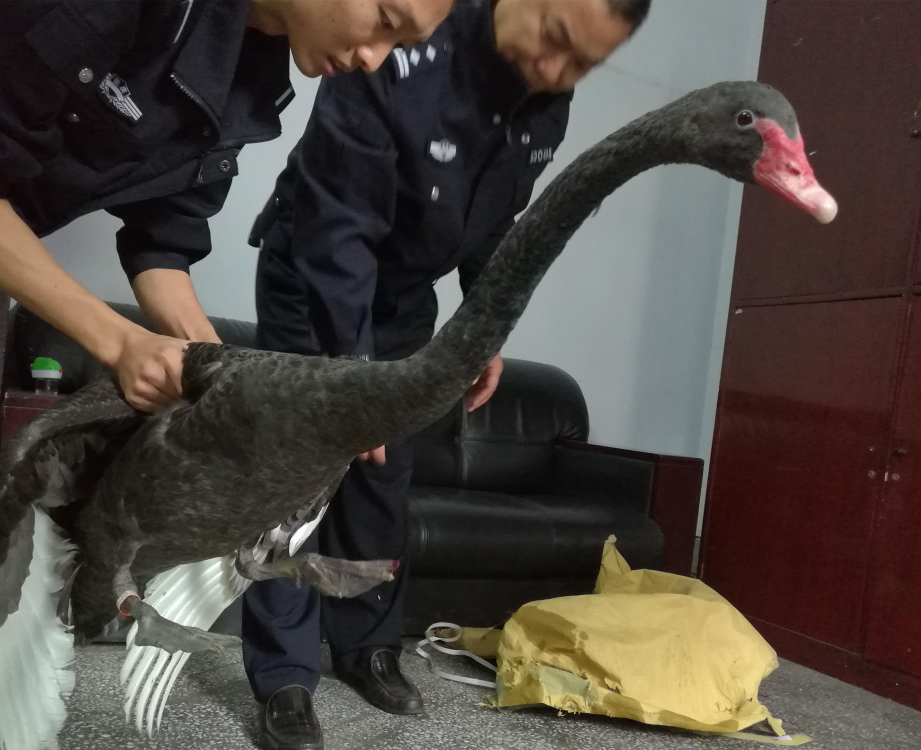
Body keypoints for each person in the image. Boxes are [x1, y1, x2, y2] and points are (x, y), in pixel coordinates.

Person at [0, 1, 453, 748]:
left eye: (402, 43)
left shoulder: (253, 71)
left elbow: (163, 242)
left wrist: (233, 387)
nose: (375, 58)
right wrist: (118, 341)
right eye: (385, 19)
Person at [244, 0, 650, 747]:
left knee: (382, 480)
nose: (556, 71)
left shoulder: (546, 100)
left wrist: (481, 331)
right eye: (555, 40)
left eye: (583, 65)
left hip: (404, 302)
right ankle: (284, 674)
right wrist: (357, 383)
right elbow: (338, 235)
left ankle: (365, 646)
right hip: (312, 284)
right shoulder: (395, 45)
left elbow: (493, 224)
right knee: (293, 478)